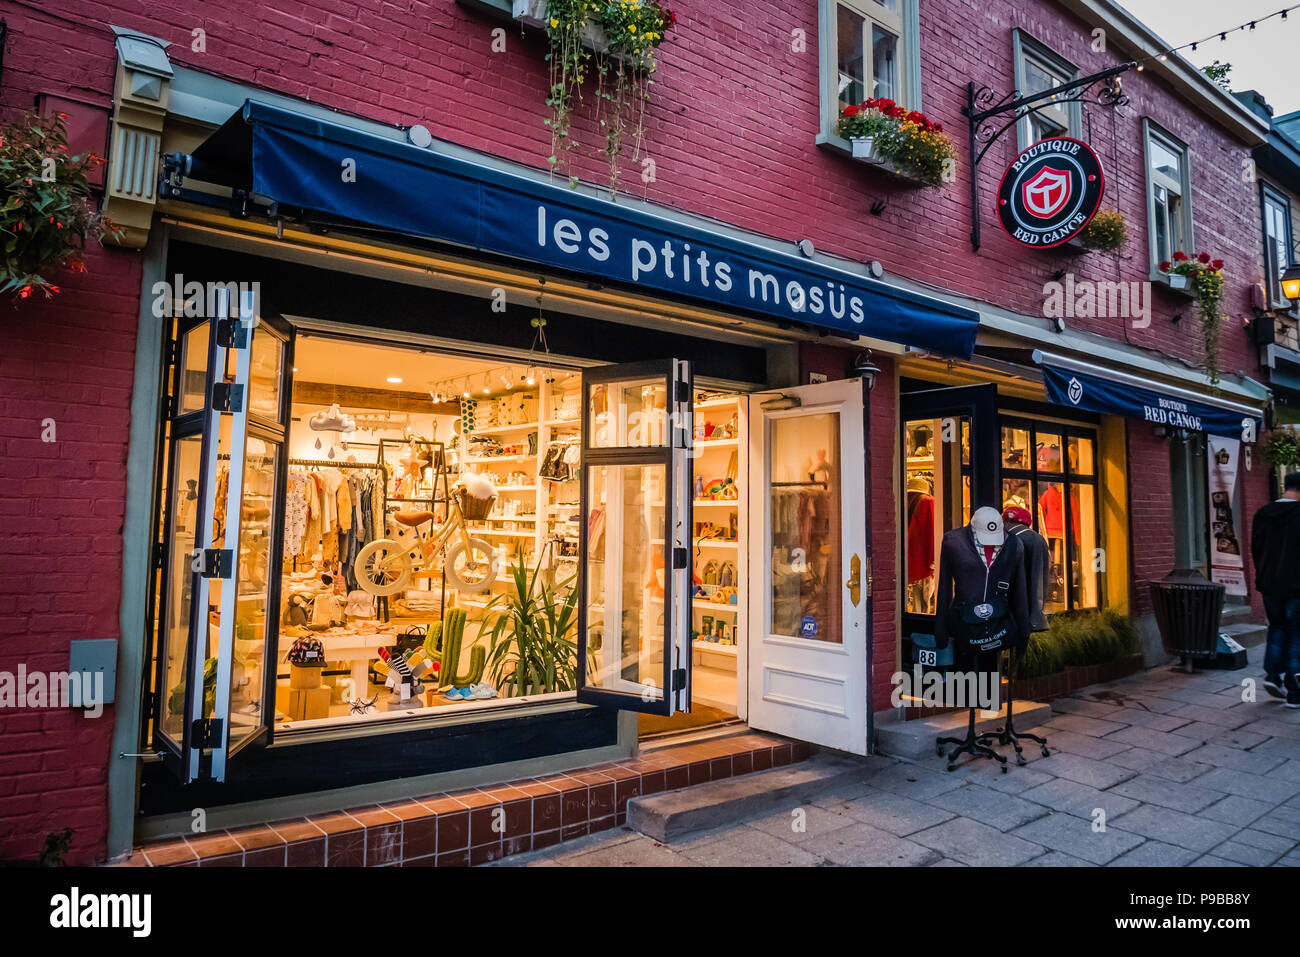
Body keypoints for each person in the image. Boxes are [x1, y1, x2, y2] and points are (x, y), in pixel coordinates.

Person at [1251, 471, 1300, 708]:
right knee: (1296, 633)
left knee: (1277, 627)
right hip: (1296, 586)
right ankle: (1294, 692)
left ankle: (1272, 676)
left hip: (1270, 585)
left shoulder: (1263, 514)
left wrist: (1263, 574)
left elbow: (1256, 549)